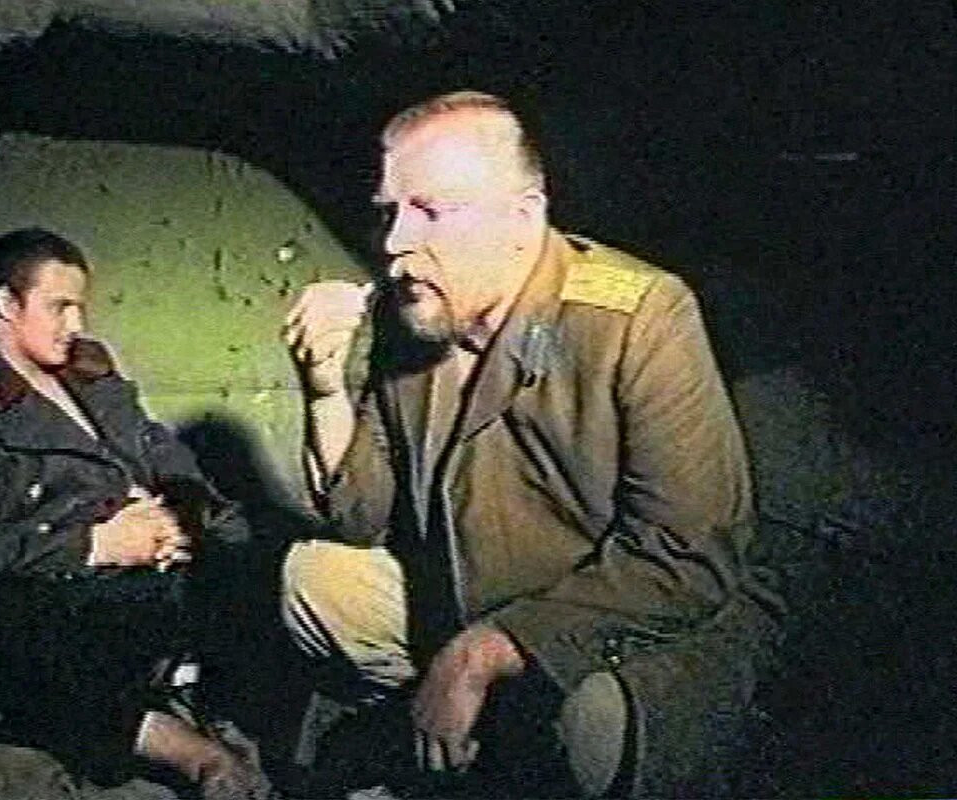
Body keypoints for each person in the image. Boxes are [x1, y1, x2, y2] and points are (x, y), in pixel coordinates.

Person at [281, 91, 783, 796]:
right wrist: (325, 389)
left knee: (589, 723)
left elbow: (687, 552)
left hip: (624, 616)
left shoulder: (639, 316)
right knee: (317, 581)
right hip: (472, 595)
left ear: (523, 219)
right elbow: (360, 519)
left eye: (430, 211)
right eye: (389, 211)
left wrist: (486, 651)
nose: (394, 244)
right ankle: (444, 743)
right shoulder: (414, 316)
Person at [0, 228, 270, 800]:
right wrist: (96, 544)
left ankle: (212, 705)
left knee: (264, 565)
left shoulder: (88, 366)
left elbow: (154, 445)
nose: (76, 324)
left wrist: (183, 515)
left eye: (80, 306)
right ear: (7, 304)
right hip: (65, 590)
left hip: (157, 562)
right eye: (60, 306)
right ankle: (190, 750)